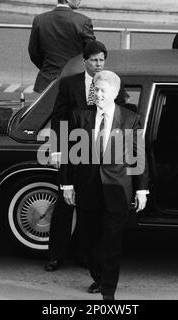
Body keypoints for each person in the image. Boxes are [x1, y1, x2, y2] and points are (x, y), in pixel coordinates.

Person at [60, 70, 149, 300]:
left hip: (117, 190)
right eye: (95, 90)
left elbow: (138, 156)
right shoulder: (79, 116)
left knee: (112, 243)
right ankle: (98, 277)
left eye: (102, 90)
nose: (98, 94)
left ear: (115, 92)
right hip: (87, 188)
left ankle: (108, 292)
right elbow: (69, 155)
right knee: (89, 240)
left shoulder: (130, 118)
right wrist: (67, 185)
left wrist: (141, 190)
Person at [44, 40, 108, 272]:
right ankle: (55, 255)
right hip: (73, 151)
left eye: (102, 60)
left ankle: (84, 254)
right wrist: (58, 150)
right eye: (94, 60)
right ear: (85, 61)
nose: (98, 64)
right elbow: (58, 117)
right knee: (64, 204)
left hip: (98, 155)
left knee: (90, 207)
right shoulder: (70, 84)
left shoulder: (110, 82)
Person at [28, 0, 95, 93]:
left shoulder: (39, 20)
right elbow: (93, 53)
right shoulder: (83, 21)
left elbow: (34, 53)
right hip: (75, 83)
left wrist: (48, 68)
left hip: (46, 83)